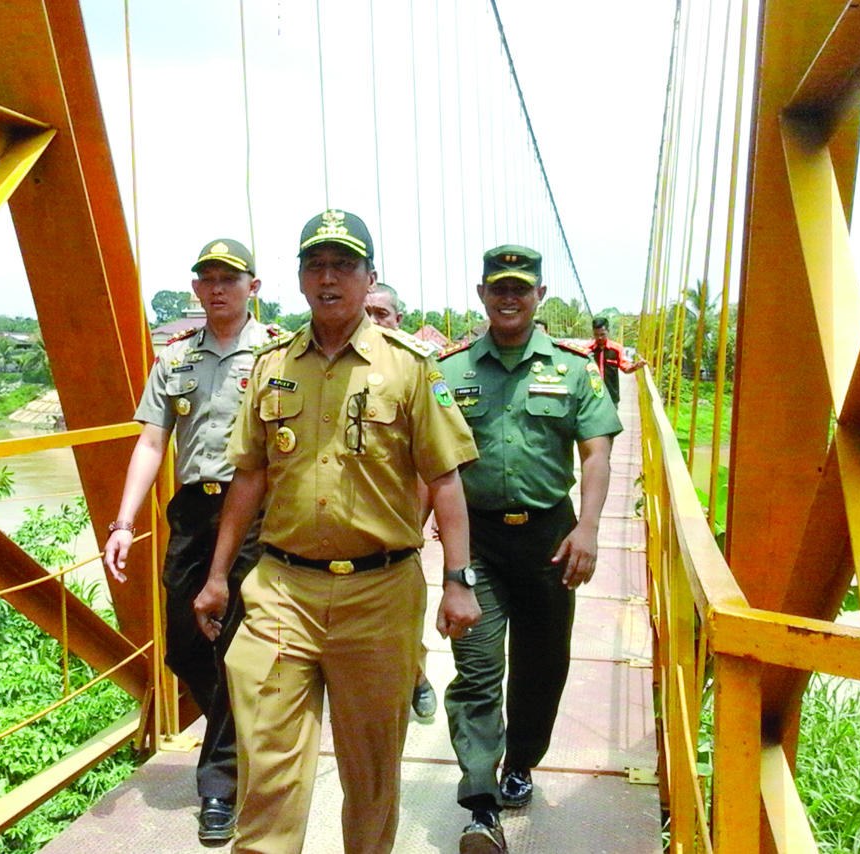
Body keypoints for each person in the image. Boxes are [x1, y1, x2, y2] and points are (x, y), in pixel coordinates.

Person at [193, 209, 481, 854]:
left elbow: (446, 479)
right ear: (297, 279)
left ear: (368, 277)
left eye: (344, 266)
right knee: (266, 770)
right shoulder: (271, 365)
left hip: (378, 598)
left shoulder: (410, 368)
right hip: (281, 592)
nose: (329, 278)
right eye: (316, 265)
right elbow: (248, 477)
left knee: (371, 775)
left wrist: (458, 582)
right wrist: (217, 578)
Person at [437, 245, 622, 854]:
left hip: (551, 536)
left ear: (540, 295)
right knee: (477, 672)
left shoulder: (574, 370)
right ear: (482, 293)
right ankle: (480, 803)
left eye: (521, 287)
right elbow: (431, 463)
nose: (509, 297)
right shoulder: (451, 370)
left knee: (544, 667)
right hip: (479, 541)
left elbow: (596, 452)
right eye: (498, 287)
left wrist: (589, 528)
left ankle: (523, 760)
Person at [103, 238, 275, 846]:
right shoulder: (174, 360)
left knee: (233, 641)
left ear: (253, 286)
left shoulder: (278, 354)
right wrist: (123, 524)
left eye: (229, 277)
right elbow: (152, 442)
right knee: (181, 644)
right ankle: (253, 731)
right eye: (207, 277)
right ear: (196, 289)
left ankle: (219, 787)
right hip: (192, 512)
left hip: (256, 513)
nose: (217, 287)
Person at [363, 281, 438, 719]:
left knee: (401, 615)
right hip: (341, 522)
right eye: (367, 313)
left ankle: (415, 675)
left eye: (382, 314)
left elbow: (433, 463)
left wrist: (415, 522)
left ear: (399, 320)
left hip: (398, 519)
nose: (373, 323)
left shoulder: (416, 368)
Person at [587, 315, 647, 405]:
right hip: (591, 396)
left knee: (611, 419)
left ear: (608, 332)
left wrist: (635, 367)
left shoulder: (617, 349)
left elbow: (625, 368)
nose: (599, 338)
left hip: (611, 397)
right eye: (596, 334)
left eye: (602, 334)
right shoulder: (586, 350)